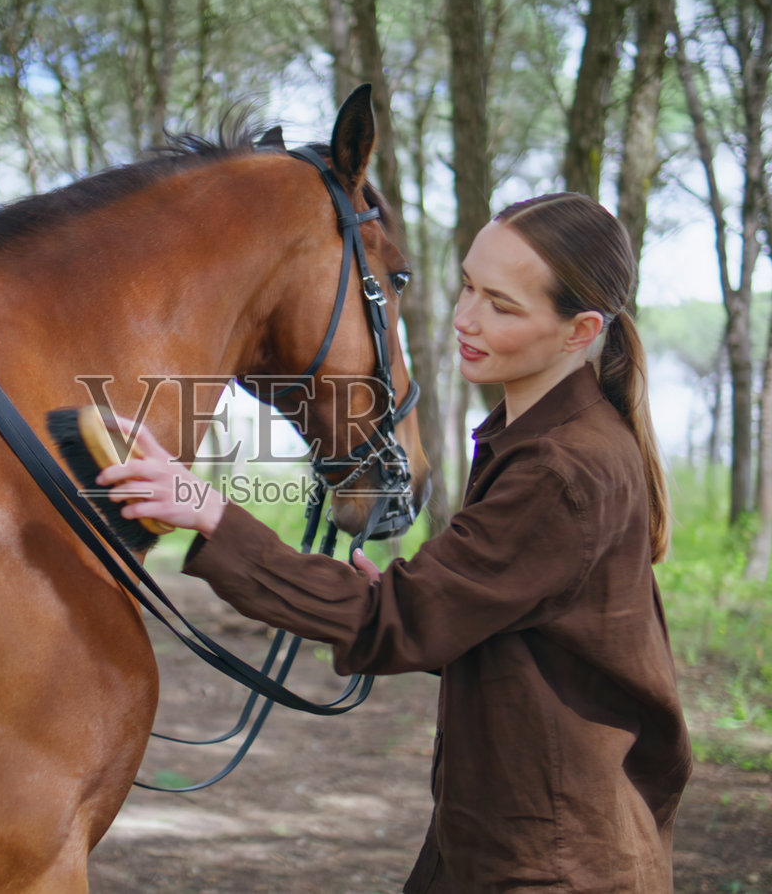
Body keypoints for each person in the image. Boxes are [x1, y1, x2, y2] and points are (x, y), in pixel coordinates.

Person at [98, 192, 692, 893]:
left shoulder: (561, 467)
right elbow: (518, 625)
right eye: (469, 286)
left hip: (550, 860)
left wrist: (206, 511)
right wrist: (434, 606)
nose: (467, 320)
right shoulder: (544, 437)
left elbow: (396, 625)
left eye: (502, 306)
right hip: (503, 834)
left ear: (580, 329)